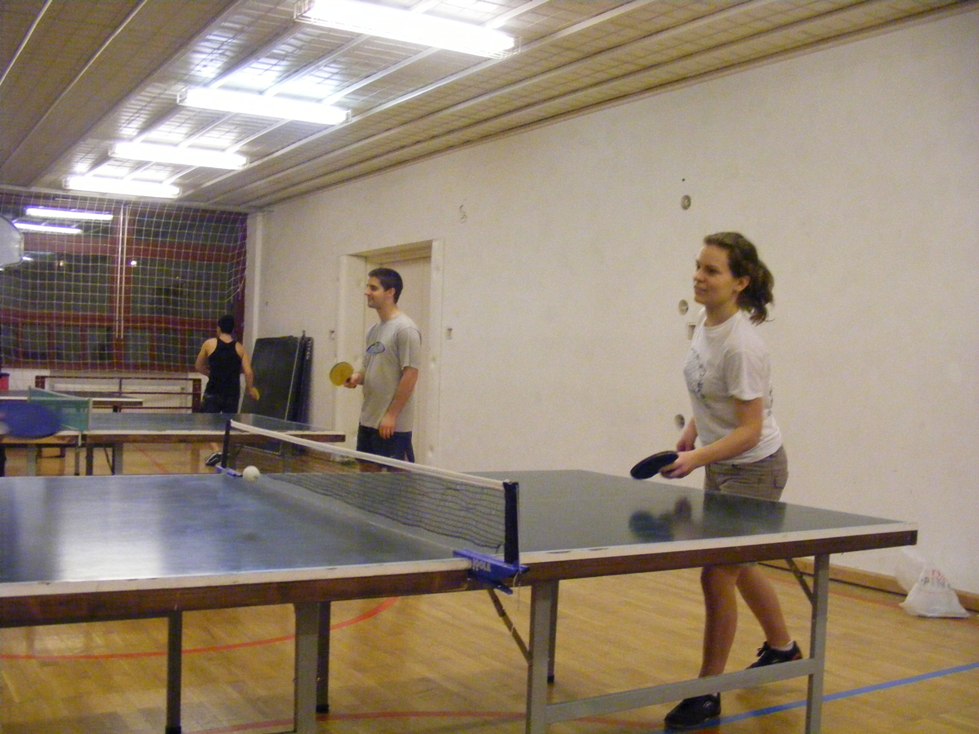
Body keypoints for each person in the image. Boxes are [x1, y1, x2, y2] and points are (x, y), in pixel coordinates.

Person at [659, 232, 799, 730]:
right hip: (723, 462)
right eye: (698, 266)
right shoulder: (706, 323)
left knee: (717, 573)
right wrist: (694, 432)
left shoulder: (742, 346)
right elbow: (708, 391)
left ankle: (706, 691)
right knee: (738, 564)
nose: (699, 277)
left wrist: (696, 457)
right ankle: (783, 647)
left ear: (739, 282)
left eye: (712, 270)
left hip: (755, 469)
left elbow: (750, 429)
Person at [343, 268, 421, 461]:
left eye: (373, 288)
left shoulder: (406, 329)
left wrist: (392, 415)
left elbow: (411, 375)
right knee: (366, 475)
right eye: (367, 287)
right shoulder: (373, 330)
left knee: (393, 478)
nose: (366, 292)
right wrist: (356, 378)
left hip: (392, 425)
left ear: (390, 292)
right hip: (368, 420)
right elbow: (369, 368)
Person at [195, 314, 259, 414]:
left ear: (219, 328)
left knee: (208, 422)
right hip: (232, 394)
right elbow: (248, 372)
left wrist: (211, 374)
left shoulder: (209, 344)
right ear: (232, 330)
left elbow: (198, 366)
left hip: (213, 391)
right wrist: (250, 389)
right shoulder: (240, 348)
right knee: (229, 422)